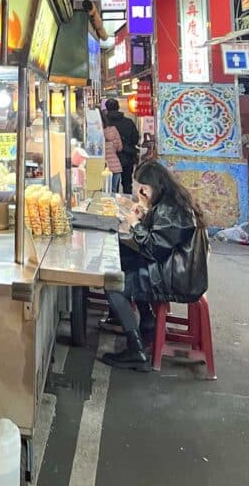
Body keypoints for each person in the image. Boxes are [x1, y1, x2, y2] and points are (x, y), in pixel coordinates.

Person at [101, 160, 208, 372]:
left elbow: (154, 249)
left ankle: (137, 351)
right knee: (125, 261)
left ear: (154, 186)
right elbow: (160, 241)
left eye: (143, 188)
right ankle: (147, 325)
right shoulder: (170, 203)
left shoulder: (172, 210)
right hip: (174, 270)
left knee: (114, 284)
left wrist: (135, 224)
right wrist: (144, 216)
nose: (140, 192)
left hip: (177, 278)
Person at [103, 98, 139, 193]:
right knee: (127, 184)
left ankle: (114, 205)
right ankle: (128, 205)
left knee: (112, 187)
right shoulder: (129, 122)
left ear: (106, 108)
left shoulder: (104, 125)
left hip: (109, 159)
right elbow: (135, 139)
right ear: (118, 107)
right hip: (127, 157)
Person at [101, 112, 123, 193]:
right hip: (116, 166)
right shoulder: (113, 130)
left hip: (103, 167)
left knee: (104, 192)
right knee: (113, 192)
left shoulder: (95, 133)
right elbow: (120, 147)